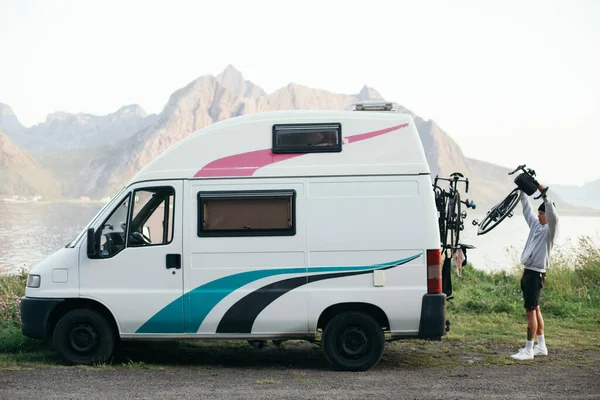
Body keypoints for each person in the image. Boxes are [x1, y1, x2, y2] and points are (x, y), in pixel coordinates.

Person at [511, 183, 559, 361]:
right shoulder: (536, 225)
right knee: (535, 309)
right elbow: (526, 210)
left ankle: (529, 350)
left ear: (547, 215)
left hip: (536, 274)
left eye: (542, 214)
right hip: (528, 272)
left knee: (530, 311)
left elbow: (554, 215)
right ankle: (541, 346)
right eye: (538, 214)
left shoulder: (550, 231)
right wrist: (522, 192)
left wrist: (544, 196)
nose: (538, 216)